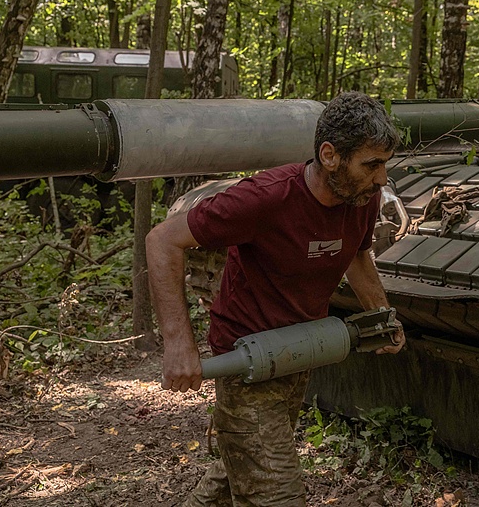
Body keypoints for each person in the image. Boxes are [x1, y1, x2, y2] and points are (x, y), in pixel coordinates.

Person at [145, 91, 406, 507]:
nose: (381, 179)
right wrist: (179, 343)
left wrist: (381, 314)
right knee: (276, 492)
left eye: (384, 164)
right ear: (330, 155)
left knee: (240, 468)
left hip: (299, 352)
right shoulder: (265, 197)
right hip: (247, 360)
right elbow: (162, 240)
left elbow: (357, 253)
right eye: (372, 164)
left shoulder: (362, 198)